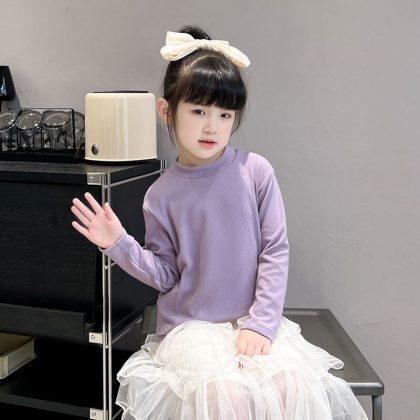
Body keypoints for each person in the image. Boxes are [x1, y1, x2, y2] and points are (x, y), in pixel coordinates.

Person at [71, 25, 367, 420]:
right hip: (191, 329)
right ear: (167, 111)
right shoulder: (160, 195)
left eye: (224, 114)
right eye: (198, 111)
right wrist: (119, 244)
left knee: (290, 386)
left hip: (253, 321)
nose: (212, 126)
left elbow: (274, 251)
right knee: (224, 395)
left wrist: (261, 325)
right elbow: (166, 275)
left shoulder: (255, 172)